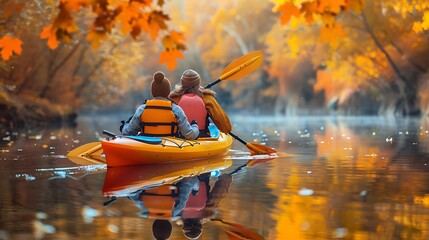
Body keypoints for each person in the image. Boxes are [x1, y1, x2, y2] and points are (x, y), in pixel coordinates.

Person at [121, 71, 199, 140]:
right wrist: (195, 126)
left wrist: (124, 126)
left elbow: (129, 132)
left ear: (153, 91)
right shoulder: (176, 110)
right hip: (171, 145)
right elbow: (190, 135)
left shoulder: (142, 109)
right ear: (168, 91)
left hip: (147, 145)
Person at [169, 69, 232, 136]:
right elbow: (226, 128)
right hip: (202, 136)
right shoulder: (207, 98)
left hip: (179, 138)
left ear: (182, 83)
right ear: (198, 83)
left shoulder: (173, 98)